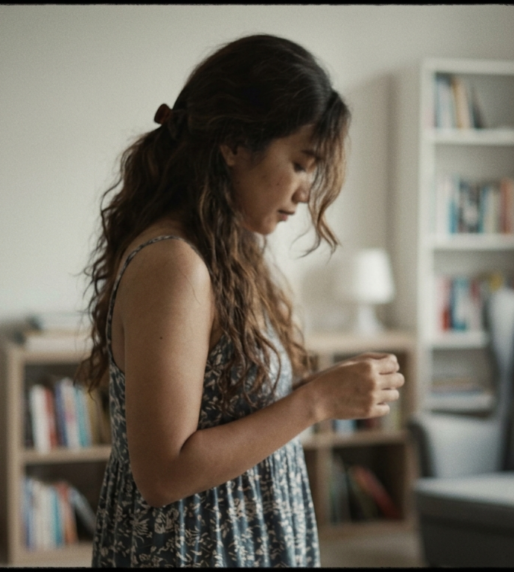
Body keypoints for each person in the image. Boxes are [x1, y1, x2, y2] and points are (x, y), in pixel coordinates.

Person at [77, 34, 405, 567]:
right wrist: (315, 401)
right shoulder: (175, 265)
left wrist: (324, 390)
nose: (305, 191)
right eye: (300, 163)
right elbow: (163, 474)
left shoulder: (228, 250)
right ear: (233, 144)